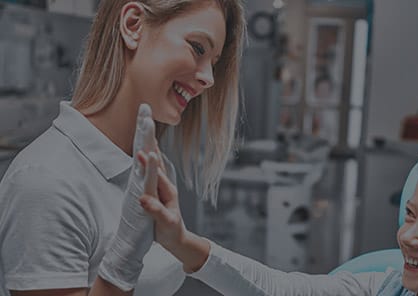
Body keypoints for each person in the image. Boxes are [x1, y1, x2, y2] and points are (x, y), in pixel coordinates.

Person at [0, 0, 245, 295]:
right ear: (133, 25)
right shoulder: (44, 181)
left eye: (214, 63)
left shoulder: (155, 166)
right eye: (198, 48)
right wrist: (124, 256)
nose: (209, 79)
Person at [133, 141, 418, 295]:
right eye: (411, 216)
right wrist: (183, 243)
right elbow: (282, 289)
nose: (407, 236)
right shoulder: (386, 287)